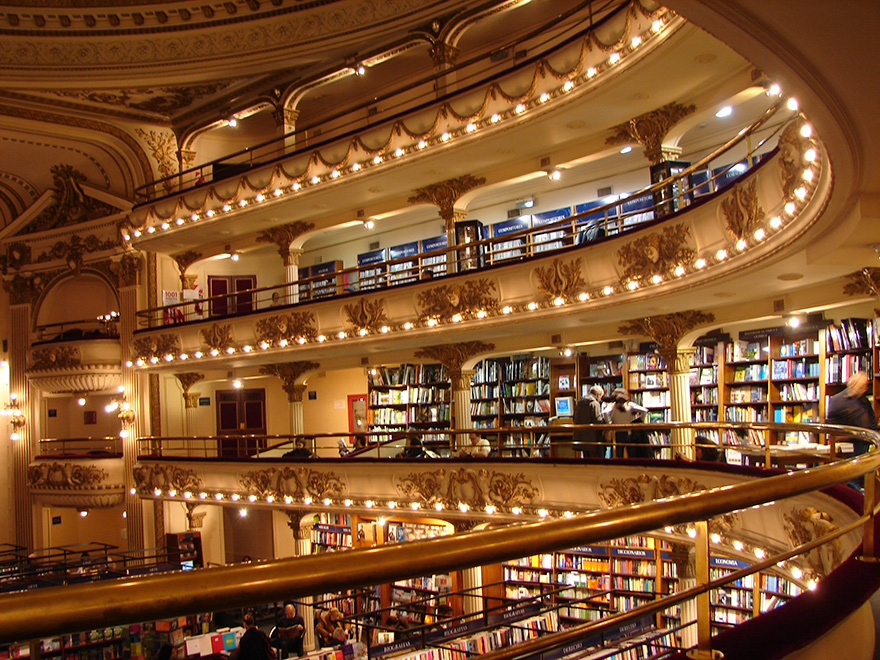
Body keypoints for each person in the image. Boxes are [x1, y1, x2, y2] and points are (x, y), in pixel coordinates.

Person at [826, 371, 877, 489]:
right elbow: (832, 429)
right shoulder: (837, 401)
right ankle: (855, 488)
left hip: (866, 438)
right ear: (853, 384)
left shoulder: (863, 401)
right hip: (849, 440)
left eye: (866, 386)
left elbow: (871, 422)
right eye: (863, 386)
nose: (865, 389)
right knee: (861, 452)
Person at [602, 387, 648, 458]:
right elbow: (645, 410)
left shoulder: (613, 406)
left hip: (617, 432)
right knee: (631, 452)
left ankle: (619, 467)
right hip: (628, 431)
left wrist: (610, 423)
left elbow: (604, 412)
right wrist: (639, 421)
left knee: (618, 453)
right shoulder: (630, 405)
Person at [573, 385, 606, 457]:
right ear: (598, 395)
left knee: (586, 458)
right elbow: (598, 420)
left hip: (581, 436)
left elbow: (574, 418)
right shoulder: (594, 403)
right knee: (595, 459)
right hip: (592, 437)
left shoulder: (579, 403)